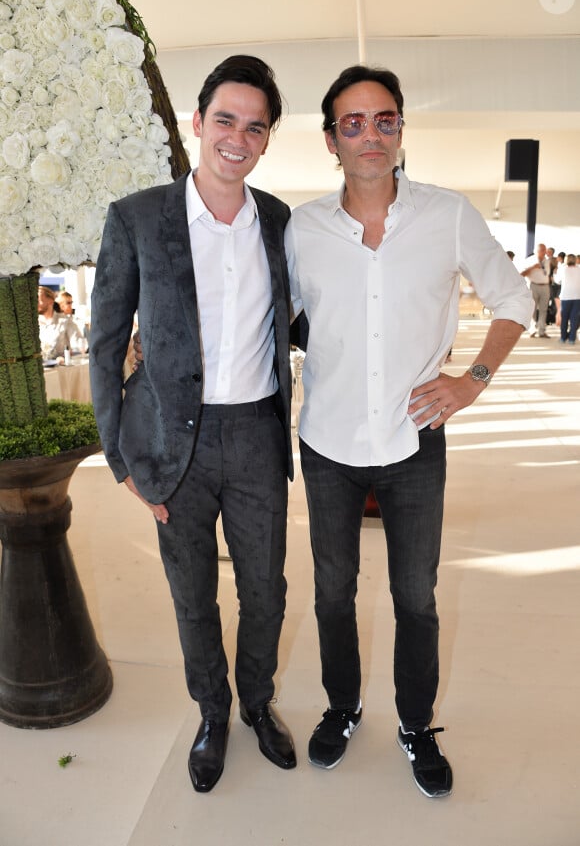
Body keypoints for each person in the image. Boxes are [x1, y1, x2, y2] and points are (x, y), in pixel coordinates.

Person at [285, 64, 533, 799]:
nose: (370, 134)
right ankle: (342, 705)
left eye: (384, 118)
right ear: (332, 140)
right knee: (333, 592)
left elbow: (513, 297)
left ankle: (416, 723)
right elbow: (280, 315)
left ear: (400, 129)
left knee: (415, 595)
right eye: (352, 122)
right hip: (327, 440)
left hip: (414, 440)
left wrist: (472, 380)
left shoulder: (447, 213)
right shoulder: (304, 227)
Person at [89, 55, 299, 794]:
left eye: (254, 126)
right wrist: (120, 457)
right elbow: (106, 342)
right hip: (170, 441)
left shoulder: (279, 222)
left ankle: (258, 704)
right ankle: (213, 711)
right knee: (192, 593)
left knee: (265, 591)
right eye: (225, 120)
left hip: (256, 436)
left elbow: (302, 321)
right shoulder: (138, 216)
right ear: (197, 122)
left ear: (267, 139)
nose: (237, 137)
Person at [38, 285, 83, 361]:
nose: (35, 303)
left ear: (50, 301)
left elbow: (79, 347)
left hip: (62, 370)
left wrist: (65, 357)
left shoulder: (65, 321)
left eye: (38, 299)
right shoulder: (34, 325)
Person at [520, 243, 551, 337]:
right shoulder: (530, 260)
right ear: (537, 251)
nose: (544, 252)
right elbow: (522, 274)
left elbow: (547, 273)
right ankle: (532, 330)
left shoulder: (547, 261)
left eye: (545, 250)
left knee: (543, 309)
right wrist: (533, 267)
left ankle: (541, 331)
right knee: (532, 309)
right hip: (534, 286)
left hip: (545, 286)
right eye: (542, 250)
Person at [554, 253, 580, 343]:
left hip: (565, 297)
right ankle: (572, 339)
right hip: (577, 297)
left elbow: (557, 281)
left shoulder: (562, 269)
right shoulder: (579, 268)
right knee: (574, 318)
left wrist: (555, 273)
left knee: (564, 318)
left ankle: (563, 338)